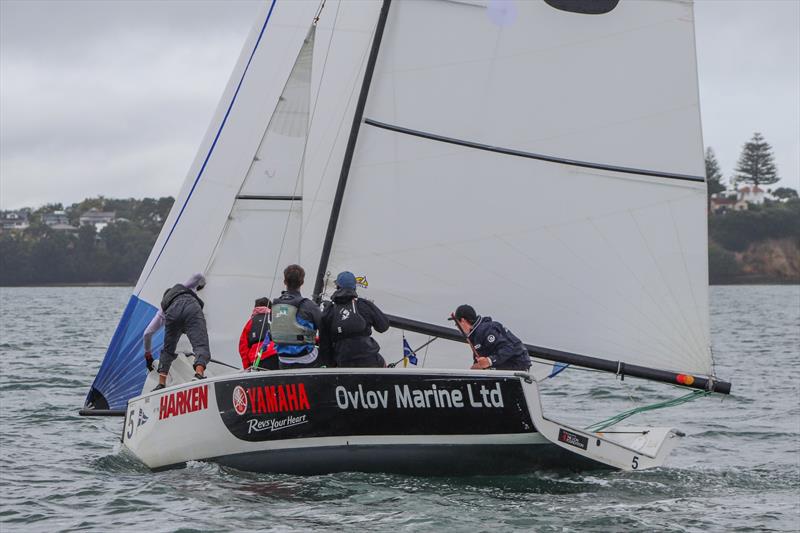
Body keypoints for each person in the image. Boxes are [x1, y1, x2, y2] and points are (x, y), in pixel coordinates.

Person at [143, 273, 211, 391]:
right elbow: (198, 276)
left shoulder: (163, 309)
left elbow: (147, 333)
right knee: (200, 344)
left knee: (168, 350)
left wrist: (148, 355)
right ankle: (199, 374)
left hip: (172, 314)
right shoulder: (184, 288)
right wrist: (202, 284)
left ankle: (161, 383)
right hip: (191, 308)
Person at [319, 271, 390, 368]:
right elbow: (383, 327)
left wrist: (331, 365)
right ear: (355, 287)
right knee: (382, 363)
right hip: (370, 360)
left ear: (337, 287)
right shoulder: (364, 305)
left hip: (344, 363)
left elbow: (324, 346)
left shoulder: (329, 311)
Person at [269, 264, 322, 369]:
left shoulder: (275, 306)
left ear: (285, 282)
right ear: (302, 282)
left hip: (283, 358)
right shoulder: (309, 305)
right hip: (306, 357)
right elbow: (324, 327)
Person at [450, 304, 531, 371]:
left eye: (457, 324)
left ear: (463, 321)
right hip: (507, 365)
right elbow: (481, 359)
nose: (457, 328)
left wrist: (489, 361)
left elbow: (508, 348)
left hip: (517, 365)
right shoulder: (475, 335)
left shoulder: (485, 330)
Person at [238, 297, 278, 370]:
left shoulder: (250, 323)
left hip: (257, 359)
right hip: (275, 355)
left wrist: (247, 368)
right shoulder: (276, 319)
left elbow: (243, 348)